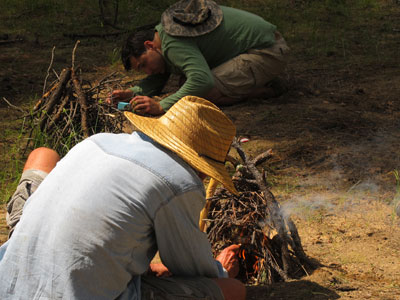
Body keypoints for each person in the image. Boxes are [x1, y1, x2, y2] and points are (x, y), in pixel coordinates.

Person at [0, 96, 246, 300]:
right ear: (203, 167)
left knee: (43, 155)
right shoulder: (180, 181)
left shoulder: (98, 141)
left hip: (10, 278)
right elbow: (193, 269)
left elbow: (102, 227)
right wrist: (222, 269)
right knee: (233, 291)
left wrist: (152, 268)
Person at [107, 0, 289, 115]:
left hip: (266, 52)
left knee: (203, 94)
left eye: (144, 64)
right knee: (186, 84)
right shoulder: (161, 37)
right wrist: (132, 93)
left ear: (149, 46)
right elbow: (159, 77)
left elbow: (202, 81)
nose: (148, 71)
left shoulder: (170, 43)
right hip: (265, 45)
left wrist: (161, 105)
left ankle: (265, 90)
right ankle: (257, 82)